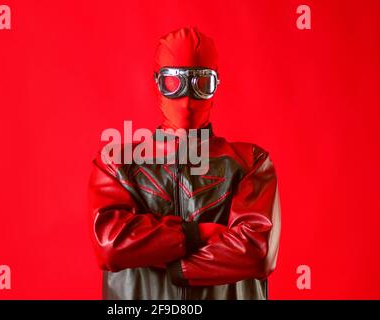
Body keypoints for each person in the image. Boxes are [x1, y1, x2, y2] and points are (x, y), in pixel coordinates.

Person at [88, 27, 281, 300]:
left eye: (201, 84)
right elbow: (112, 244)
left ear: (216, 84)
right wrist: (198, 234)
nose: (187, 99)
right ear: (157, 81)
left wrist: (171, 264)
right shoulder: (117, 165)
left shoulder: (250, 163)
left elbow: (256, 252)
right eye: (173, 83)